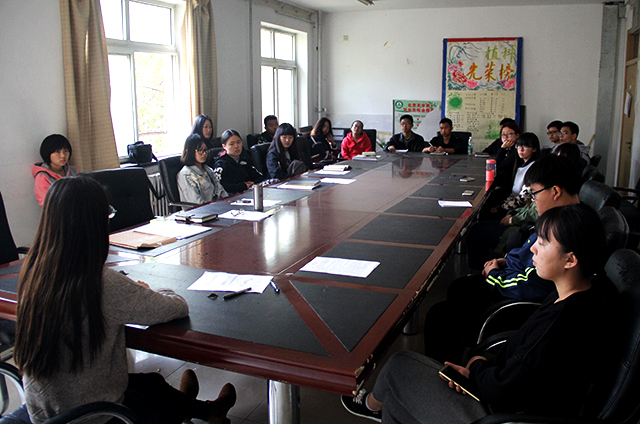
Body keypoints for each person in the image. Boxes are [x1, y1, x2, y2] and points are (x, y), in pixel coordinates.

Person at [342, 203, 615, 424]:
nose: (533, 247)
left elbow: (506, 388)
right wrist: (484, 363)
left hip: (498, 415)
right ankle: (381, 408)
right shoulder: (575, 295)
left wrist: (476, 368)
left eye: (543, 243)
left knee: (398, 366)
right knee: (396, 404)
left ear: (570, 259)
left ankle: (370, 405)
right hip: (499, 392)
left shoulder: (562, 322)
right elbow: (523, 357)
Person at [14, 177, 237, 424]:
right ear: (95, 225)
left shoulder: (34, 272)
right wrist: (148, 290)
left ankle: (200, 409)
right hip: (90, 416)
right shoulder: (99, 283)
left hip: (47, 409)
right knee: (146, 402)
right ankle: (193, 412)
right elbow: (176, 307)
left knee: (151, 384)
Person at [423, 154, 582, 364]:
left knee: (439, 316)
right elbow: (530, 256)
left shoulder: (564, 231)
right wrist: (505, 262)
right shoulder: (563, 219)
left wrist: (494, 274)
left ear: (555, 192)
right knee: (459, 288)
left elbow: (532, 284)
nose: (533, 200)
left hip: (514, 305)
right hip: (512, 280)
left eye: (535, 194)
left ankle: (446, 371)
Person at [177, 134, 228, 204]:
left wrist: (229, 203)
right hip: (201, 209)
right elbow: (196, 202)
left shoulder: (208, 170)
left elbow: (221, 191)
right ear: (190, 151)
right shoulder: (186, 175)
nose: (204, 153)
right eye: (200, 150)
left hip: (216, 206)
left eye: (205, 150)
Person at [31, 134, 80, 206]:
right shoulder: (43, 177)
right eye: (57, 151)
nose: (63, 155)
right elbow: (48, 204)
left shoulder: (74, 171)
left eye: (66, 150)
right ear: (48, 153)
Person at [214, 129, 264, 195]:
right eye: (232, 144)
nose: (236, 146)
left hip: (248, 193)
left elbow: (259, 177)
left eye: (238, 142)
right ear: (224, 146)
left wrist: (252, 183)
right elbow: (218, 185)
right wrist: (243, 186)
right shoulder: (221, 164)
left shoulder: (244, 160)